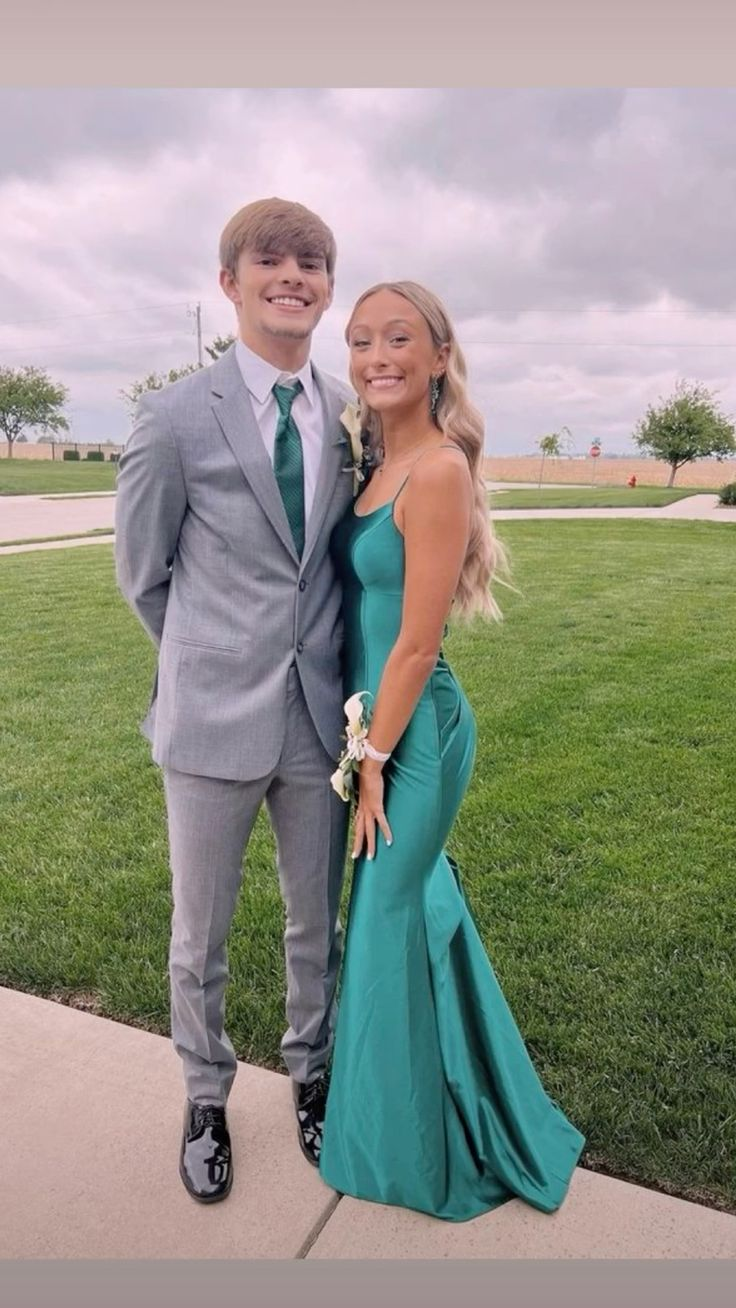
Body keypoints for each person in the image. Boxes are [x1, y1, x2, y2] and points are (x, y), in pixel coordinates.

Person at [319, 281, 585, 1221]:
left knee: (386, 917)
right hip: (377, 728)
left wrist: (371, 762)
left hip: (413, 737)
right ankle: (453, 1101)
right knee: (410, 908)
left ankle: (411, 1153)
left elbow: (417, 644)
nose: (375, 357)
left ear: (438, 356)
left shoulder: (435, 470)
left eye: (398, 339)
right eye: (360, 341)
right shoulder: (373, 460)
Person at [114, 198, 354, 1203]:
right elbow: (144, 576)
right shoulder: (174, 417)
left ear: (327, 288)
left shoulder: (350, 412)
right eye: (271, 260)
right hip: (210, 720)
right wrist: (209, 660)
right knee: (199, 932)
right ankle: (205, 1095)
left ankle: (312, 1074)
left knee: (316, 927)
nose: (293, 276)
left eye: (312, 262)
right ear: (231, 282)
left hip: (319, 722)